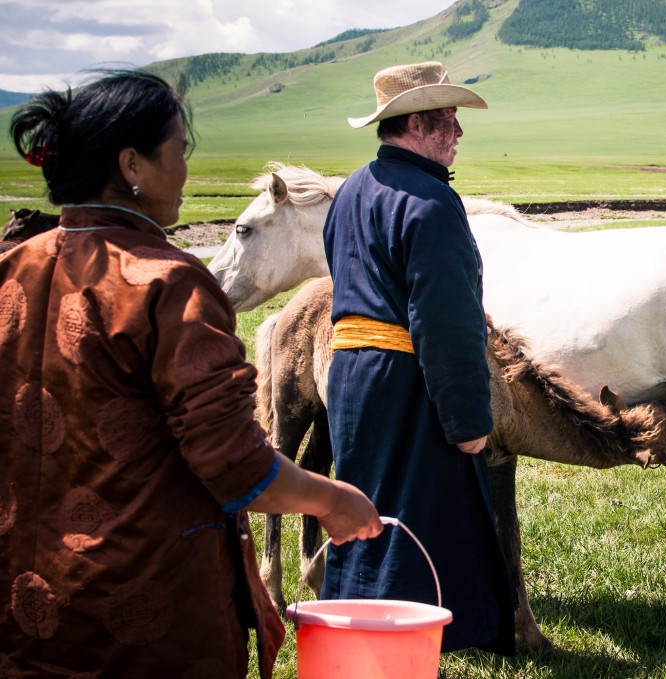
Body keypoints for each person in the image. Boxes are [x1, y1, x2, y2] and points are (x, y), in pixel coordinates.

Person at [0, 69, 382, 678]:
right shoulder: (167, 284)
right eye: (180, 151)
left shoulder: (12, 268)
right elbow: (236, 467)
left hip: (25, 608)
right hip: (143, 614)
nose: (183, 169)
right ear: (133, 165)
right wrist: (331, 498)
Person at [321, 61, 516, 655]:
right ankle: (400, 648)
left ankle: (352, 636)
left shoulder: (352, 189)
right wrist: (468, 426)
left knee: (366, 510)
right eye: (451, 122)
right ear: (420, 125)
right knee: (419, 518)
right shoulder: (431, 203)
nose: (459, 134)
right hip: (409, 383)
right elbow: (446, 324)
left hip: (353, 380)